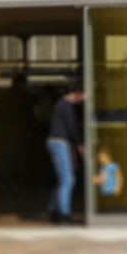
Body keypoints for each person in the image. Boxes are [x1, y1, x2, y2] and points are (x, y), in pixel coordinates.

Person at [47, 80, 85, 225]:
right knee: (68, 180)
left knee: (62, 179)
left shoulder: (61, 105)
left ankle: (53, 209)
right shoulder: (66, 107)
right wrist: (79, 145)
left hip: (58, 142)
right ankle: (64, 214)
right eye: (83, 95)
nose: (84, 99)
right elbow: (72, 129)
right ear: (77, 93)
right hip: (59, 143)